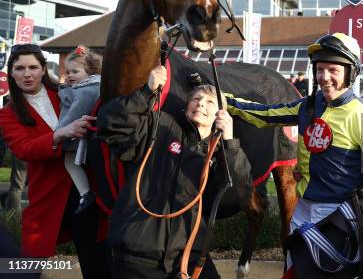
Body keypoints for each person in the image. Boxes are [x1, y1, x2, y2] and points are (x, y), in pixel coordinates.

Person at [224, 33, 363, 277]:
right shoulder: (308, 105)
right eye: (319, 69)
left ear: (351, 72)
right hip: (302, 212)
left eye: (333, 70)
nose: (324, 78)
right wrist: (224, 101)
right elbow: (264, 115)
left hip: (338, 218)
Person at [96, 65, 252, 278]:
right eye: (196, 99)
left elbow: (235, 198)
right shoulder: (160, 126)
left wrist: (231, 144)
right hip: (137, 255)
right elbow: (110, 124)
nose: (201, 104)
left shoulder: (221, 153)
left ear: (220, 114)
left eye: (209, 102)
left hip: (188, 259)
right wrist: (145, 91)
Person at [0, 43, 110, 278]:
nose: (27, 74)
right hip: (47, 197)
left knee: (98, 263)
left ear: (43, 69)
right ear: (11, 73)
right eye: (19, 68)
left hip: (86, 191)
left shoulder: (69, 91)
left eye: (33, 67)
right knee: (27, 268)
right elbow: (23, 149)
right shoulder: (8, 113)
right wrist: (61, 133)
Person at [57, 46, 102, 214]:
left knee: (69, 162)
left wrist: (58, 132)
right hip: (87, 134)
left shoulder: (85, 91)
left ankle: (85, 193)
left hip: (77, 135)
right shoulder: (96, 86)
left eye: (74, 72)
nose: (69, 76)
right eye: (67, 72)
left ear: (90, 71)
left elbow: (74, 113)